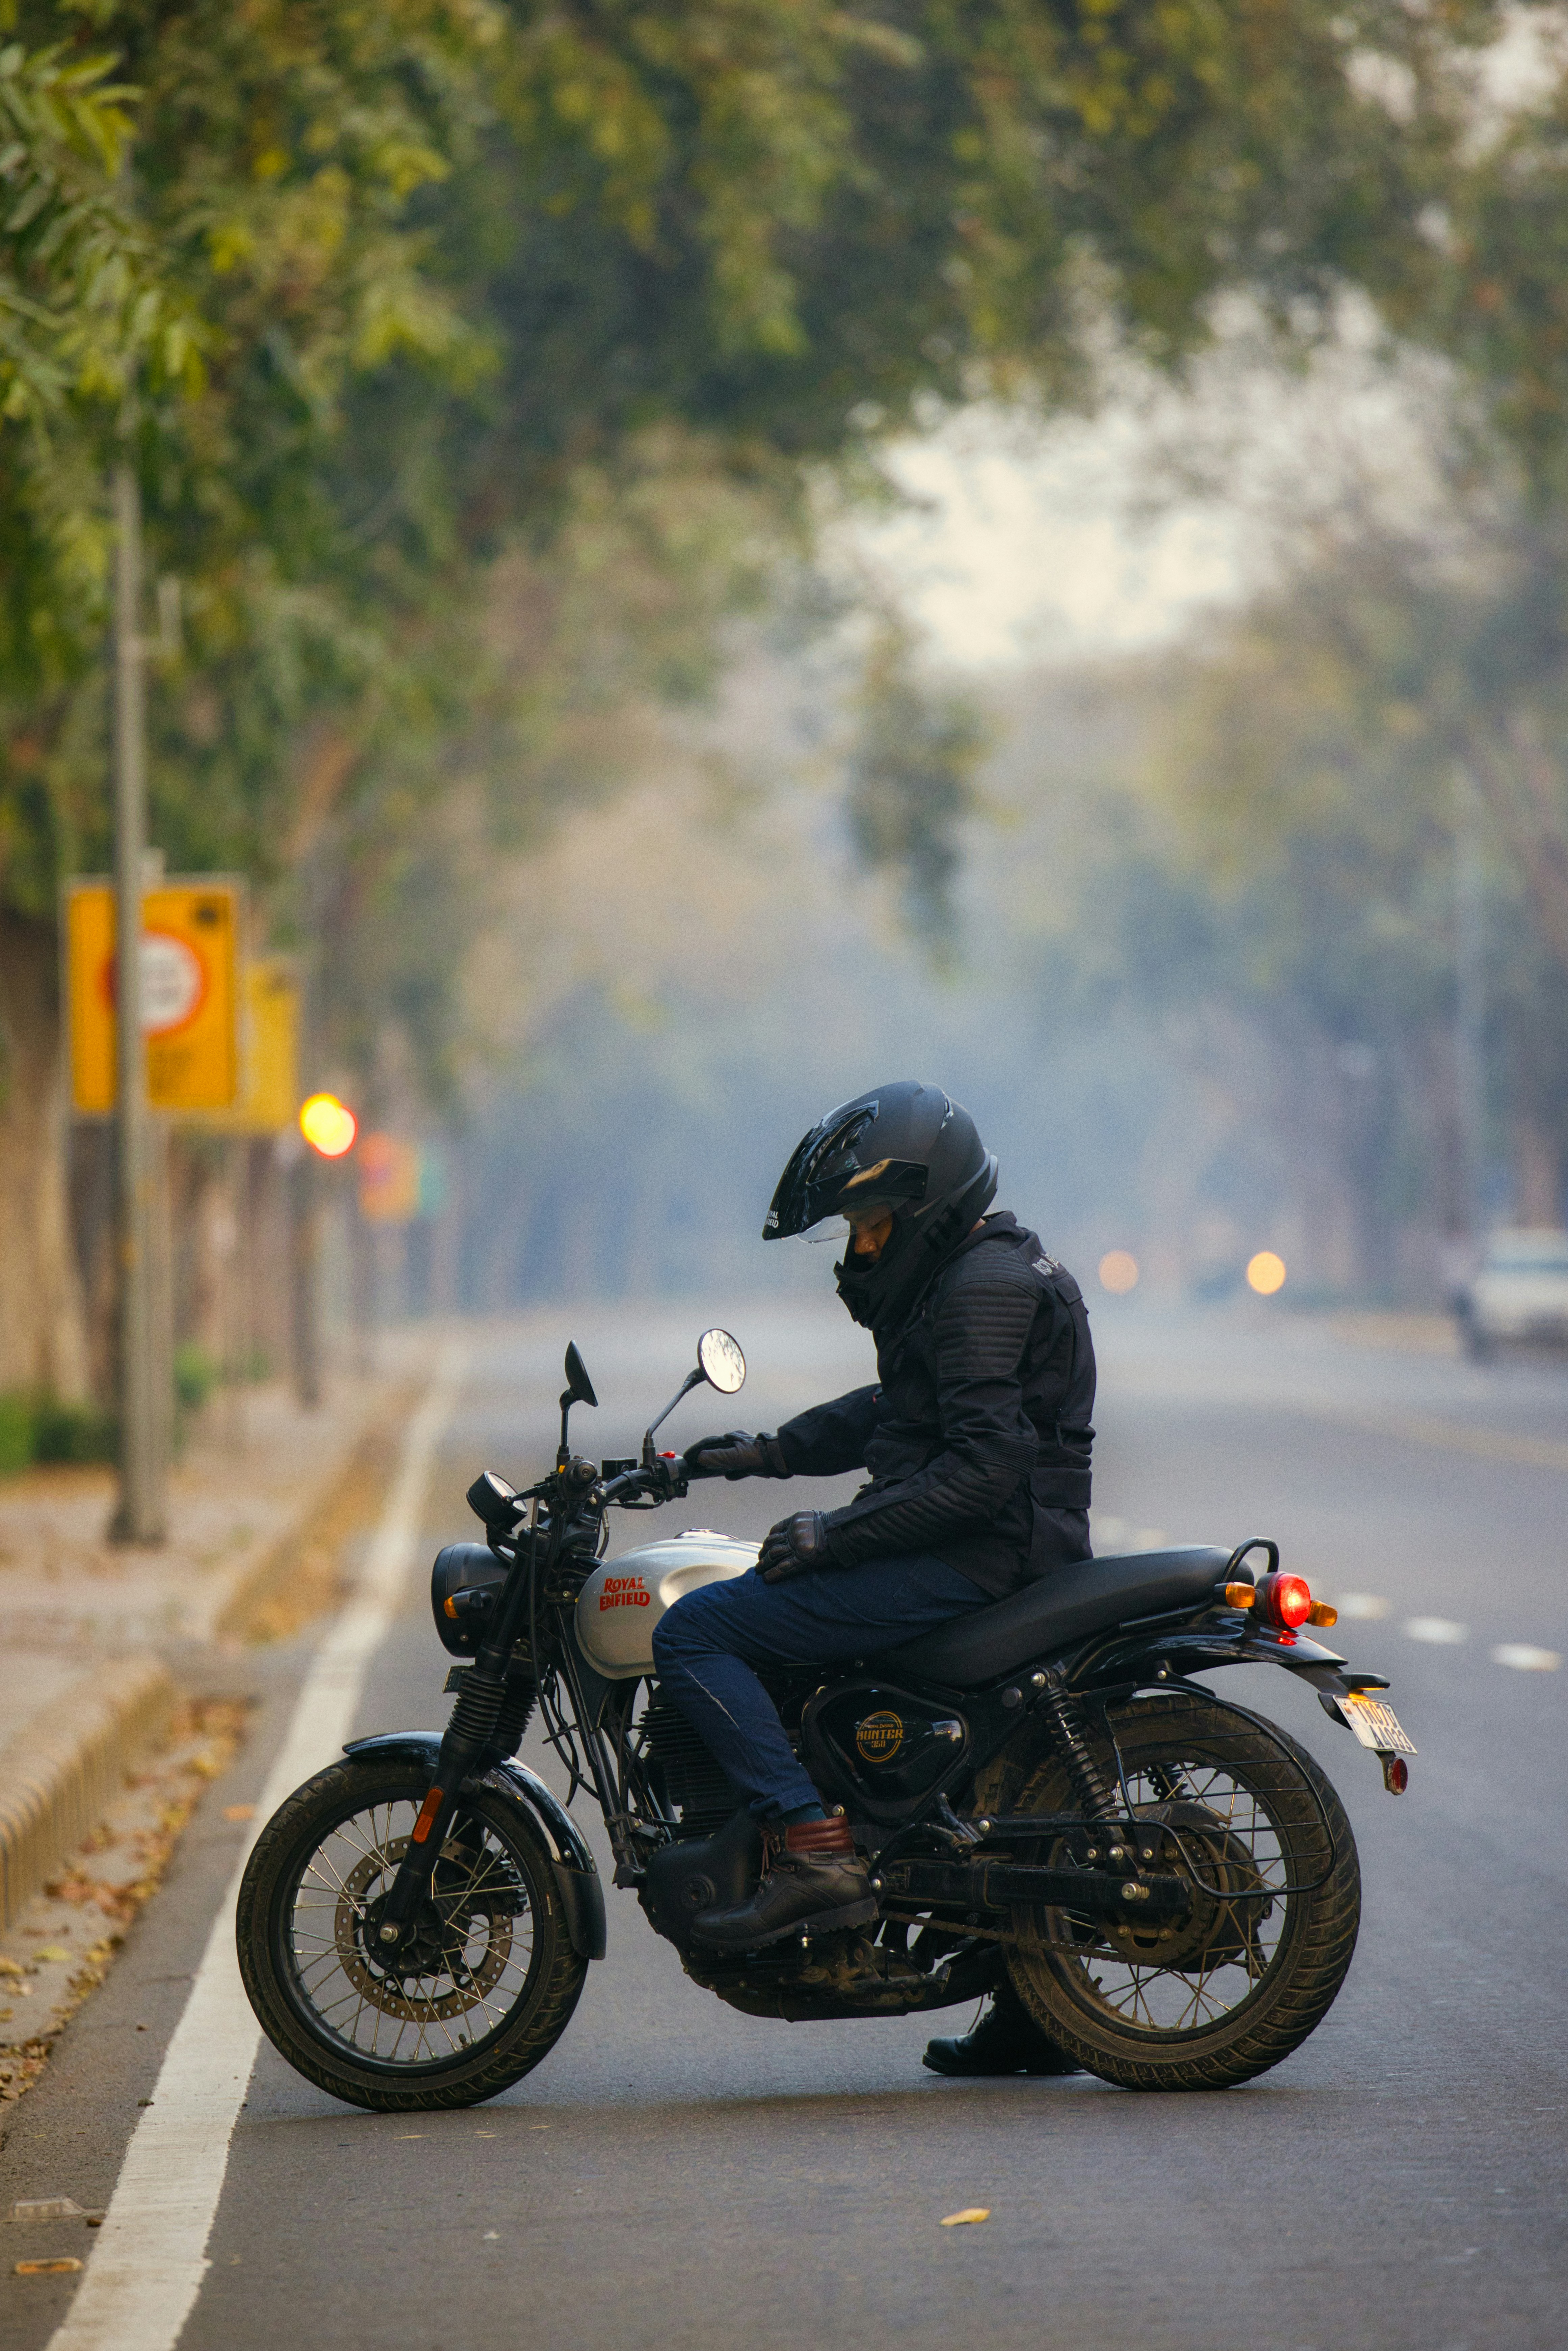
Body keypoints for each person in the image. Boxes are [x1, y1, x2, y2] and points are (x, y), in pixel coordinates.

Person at [650, 1080, 1095, 2076]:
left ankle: (811, 1846)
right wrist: (759, 1454)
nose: (858, 1251)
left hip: (978, 1558)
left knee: (695, 1632)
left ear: (924, 1206)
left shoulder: (982, 1287)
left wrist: (834, 1535)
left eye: (870, 1224)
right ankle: (1033, 2009)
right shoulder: (972, 1277)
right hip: (997, 1547)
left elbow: (983, 1473)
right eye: (853, 1229)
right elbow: (896, 1410)